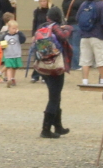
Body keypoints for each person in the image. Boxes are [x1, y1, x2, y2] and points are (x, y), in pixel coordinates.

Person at [30, 10, 73, 138]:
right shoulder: (55, 27)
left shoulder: (41, 27)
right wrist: (69, 28)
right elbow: (64, 36)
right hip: (56, 65)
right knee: (54, 97)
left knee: (55, 95)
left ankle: (58, 126)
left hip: (44, 65)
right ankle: (46, 129)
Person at [75, 0, 103, 84]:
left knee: (85, 60)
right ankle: (102, 81)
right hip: (98, 36)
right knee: (101, 60)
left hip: (84, 36)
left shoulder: (84, 4)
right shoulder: (101, 4)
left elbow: (77, 18)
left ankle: (85, 81)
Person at [0, 13, 24, 87]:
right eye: (13, 28)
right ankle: (9, 79)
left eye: (16, 28)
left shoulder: (18, 35)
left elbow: (23, 40)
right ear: (9, 28)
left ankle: (12, 78)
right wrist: (2, 47)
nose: (15, 30)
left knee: (14, 67)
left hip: (16, 54)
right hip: (8, 54)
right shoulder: (5, 36)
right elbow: (2, 43)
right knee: (9, 67)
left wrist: (19, 32)